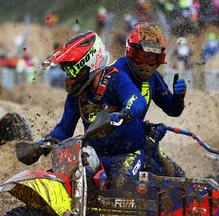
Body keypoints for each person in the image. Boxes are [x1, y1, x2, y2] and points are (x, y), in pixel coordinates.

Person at [31, 31, 147, 188]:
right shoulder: (77, 95)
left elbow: (137, 100)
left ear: (88, 63)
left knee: (119, 187)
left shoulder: (115, 78)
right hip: (95, 156)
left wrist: (125, 113)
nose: (69, 78)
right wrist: (44, 143)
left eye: (72, 71)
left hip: (127, 154)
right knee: (70, 182)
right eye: (66, 72)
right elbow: (64, 128)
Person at [111, 22, 187, 176]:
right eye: (142, 56)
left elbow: (173, 110)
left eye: (152, 58)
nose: (146, 64)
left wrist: (179, 97)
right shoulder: (115, 73)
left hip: (139, 141)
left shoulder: (154, 78)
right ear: (131, 52)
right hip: (111, 146)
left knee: (176, 175)